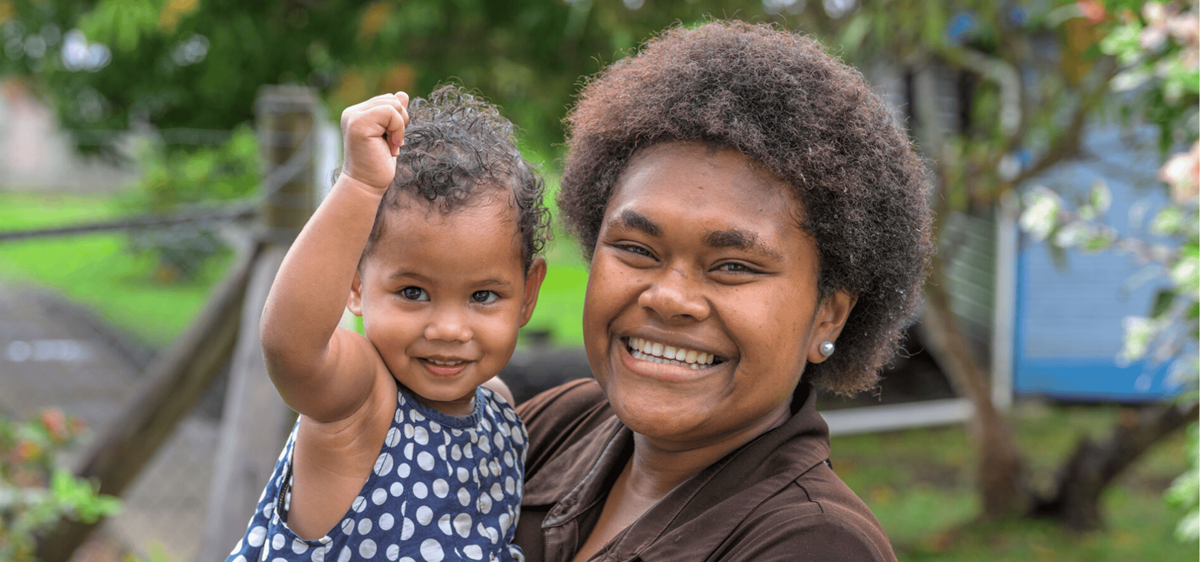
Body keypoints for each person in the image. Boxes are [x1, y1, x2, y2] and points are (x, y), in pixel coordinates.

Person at [513, 21, 932, 562]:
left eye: (733, 265)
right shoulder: (560, 424)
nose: (668, 297)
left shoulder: (815, 545)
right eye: (637, 249)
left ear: (828, 317)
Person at [226, 86, 550, 562]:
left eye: (483, 296)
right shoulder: (360, 396)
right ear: (354, 285)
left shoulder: (499, 411)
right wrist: (359, 185)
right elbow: (291, 348)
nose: (448, 328)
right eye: (413, 292)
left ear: (527, 296)